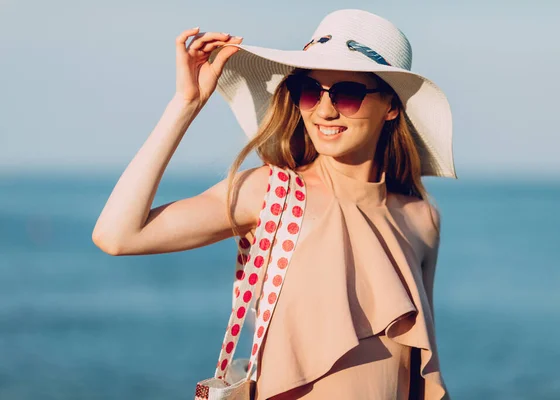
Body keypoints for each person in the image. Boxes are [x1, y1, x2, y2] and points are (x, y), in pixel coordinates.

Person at [92, 8, 456, 400]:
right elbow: (118, 235)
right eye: (310, 91)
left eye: (348, 94)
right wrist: (186, 103)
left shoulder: (422, 218)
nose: (325, 110)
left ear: (391, 106)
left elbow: (422, 374)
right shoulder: (273, 192)